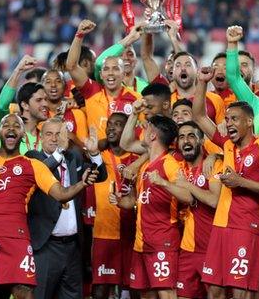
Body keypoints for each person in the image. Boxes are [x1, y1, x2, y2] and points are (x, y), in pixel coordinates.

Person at [0, 113, 99, 299]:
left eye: (16, 126)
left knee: (24, 293)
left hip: (15, 238)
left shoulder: (33, 165)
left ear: (23, 136)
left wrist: (82, 184)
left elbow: (61, 194)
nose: (11, 128)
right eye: (6, 125)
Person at [192, 65, 259, 298]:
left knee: (240, 292)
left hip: (245, 227)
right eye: (227, 119)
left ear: (249, 121)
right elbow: (199, 116)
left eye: (234, 119)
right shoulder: (226, 145)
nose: (229, 123)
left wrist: (241, 181)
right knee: (213, 289)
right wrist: (202, 82)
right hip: (220, 226)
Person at [25, 117, 108, 299]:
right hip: (46, 246)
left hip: (72, 247)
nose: (54, 139)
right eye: (49, 134)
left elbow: (99, 176)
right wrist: (60, 152)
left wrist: (94, 154)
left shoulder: (74, 158)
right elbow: (42, 172)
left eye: (59, 134)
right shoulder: (33, 158)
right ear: (41, 137)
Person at [110, 115, 188, 299]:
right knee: (146, 294)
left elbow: (188, 195)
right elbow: (134, 201)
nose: (143, 132)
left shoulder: (169, 164)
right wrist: (119, 200)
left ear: (152, 135)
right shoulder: (145, 166)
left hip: (163, 240)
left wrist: (164, 183)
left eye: (146, 128)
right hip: (142, 242)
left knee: (167, 293)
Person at [167, 121, 222, 299]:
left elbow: (214, 201)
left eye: (191, 136)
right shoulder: (177, 168)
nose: (186, 141)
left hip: (212, 248)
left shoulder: (213, 165)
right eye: (181, 137)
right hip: (187, 249)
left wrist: (187, 185)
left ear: (201, 140)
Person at [90, 113, 139, 299]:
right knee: (100, 289)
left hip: (132, 234)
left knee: (133, 288)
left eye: (118, 124)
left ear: (128, 129)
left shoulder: (137, 158)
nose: (111, 127)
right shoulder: (99, 157)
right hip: (104, 233)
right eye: (109, 124)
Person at [65, 20, 140, 139]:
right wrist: (79, 35)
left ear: (123, 73)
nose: (110, 73)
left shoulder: (136, 99)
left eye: (116, 69)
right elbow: (71, 66)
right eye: (106, 69)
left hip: (125, 156)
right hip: (96, 156)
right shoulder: (92, 91)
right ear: (100, 74)